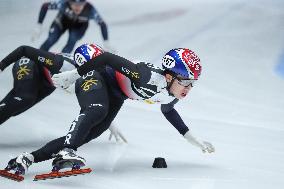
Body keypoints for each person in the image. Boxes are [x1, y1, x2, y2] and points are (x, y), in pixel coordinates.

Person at [4, 44, 214, 175]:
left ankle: (28, 158)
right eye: (185, 81)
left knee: (93, 132)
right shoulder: (145, 75)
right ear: (169, 76)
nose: (188, 88)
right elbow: (106, 58)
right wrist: (74, 74)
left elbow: (168, 110)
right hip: (96, 74)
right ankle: (67, 150)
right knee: (96, 110)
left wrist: (191, 137)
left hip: (117, 93)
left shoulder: (172, 91)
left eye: (192, 83)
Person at [0, 45, 126, 145]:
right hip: (30, 63)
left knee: (15, 108)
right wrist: (2, 65)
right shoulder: (59, 63)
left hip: (48, 82)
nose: (100, 71)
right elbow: (25, 49)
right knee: (24, 98)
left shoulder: (96, 75)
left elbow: (95, 102)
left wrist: (109, 122)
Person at [32, 0, 112, 53]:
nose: (77, 7)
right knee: (51, 39)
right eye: (74, 4)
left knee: (72, 40)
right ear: (69, 2)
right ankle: (38, 58)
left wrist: (106, 42)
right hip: (62, 22)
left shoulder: (90, 9)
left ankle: (61, 62)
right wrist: (39, 25)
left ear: (85, 3)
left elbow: (102, 24)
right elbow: (45, 6)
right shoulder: (63, 3)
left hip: (79, 27)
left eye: (80, 5)